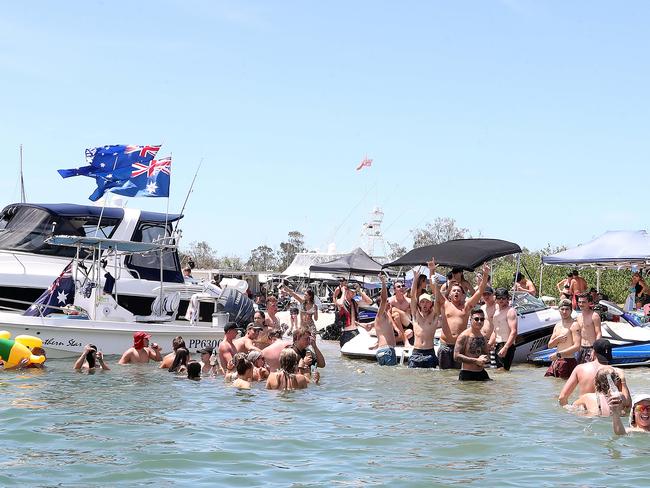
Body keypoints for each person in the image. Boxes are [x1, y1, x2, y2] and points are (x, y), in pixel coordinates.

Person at [435, 263, 490, 369]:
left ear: (463, 295)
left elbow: (480, 291)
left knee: (458, 376)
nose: (456, 292)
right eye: (454, 291)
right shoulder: (445, 304)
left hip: (460, 346)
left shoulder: (467, 306)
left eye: (459, 291)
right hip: (445, 346)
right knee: (443, 377)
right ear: (450, 294)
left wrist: (485, 275)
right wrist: (432, 271)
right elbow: (435, 290)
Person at [558, 339, 631, 409]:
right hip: (609, 412)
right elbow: (627, 404)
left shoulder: (580, 368)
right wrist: (623, 382)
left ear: (594, 352)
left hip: (585, 413)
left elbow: (562, 397)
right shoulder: (616, 371)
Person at [408, 260, 450, 369]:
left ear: (430, 303)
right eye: (422, 302)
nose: (425, 304)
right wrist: (415, 278)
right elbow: (413, 297)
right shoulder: (416, 315)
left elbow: (438, 299)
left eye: (427, 301)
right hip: (416, 353)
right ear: (419, 304)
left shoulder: (434, 315)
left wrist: (435, 282)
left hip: (429, 353)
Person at [545, 299, 581, 378]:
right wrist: (557, 340)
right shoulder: (557, 325)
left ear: (571, 311)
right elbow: (549, 345)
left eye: (567, 309)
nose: (564, 312)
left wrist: (558, 354)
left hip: (568, 361)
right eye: (562, 309)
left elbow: (577, 346)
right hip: (556, 361)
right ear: (559, 310)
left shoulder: (574, 325)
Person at [454, 307, 491, 381]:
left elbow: (487, 354)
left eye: (482, 319)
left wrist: (485, 358)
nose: (479, 321)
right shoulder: (464, 336)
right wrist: (476, 361)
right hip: (467, 374)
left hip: (481, 373)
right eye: (476, 319)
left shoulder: (483, 336)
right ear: (470, 320)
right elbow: (456, 356)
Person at [372, 274, 398, 366]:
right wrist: (383, 282)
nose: (389, 302)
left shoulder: (383, 317)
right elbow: (383, 299)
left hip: (382, 351)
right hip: (388, 351)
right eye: (387, 301)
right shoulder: (381, 314)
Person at [490, 288, 518, 371]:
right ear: (496, 299)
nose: (501, 300)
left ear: (508, 298)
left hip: (507, 344)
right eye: (499, 298)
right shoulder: (496, 312)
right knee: (498, 371)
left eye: (503, 298)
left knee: (502, 371)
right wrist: (488, 344)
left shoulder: (510, 311)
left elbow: (514, 331)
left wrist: (505, 348)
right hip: (498, 344)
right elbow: (495, 331)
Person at [337, 281, 372, 347]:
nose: (354, 293)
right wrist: (344, 292)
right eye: (352, 291)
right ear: (347, 291)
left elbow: (369, 302)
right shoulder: (340, 301)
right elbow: (341, 303)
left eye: (355, 291)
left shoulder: (355, 302)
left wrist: (360, 291)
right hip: (346, 333)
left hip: (355, 331)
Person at [576, 292, 602, 364]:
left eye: (583, 302)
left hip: (591, 348)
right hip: (581, 348)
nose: (581, 304)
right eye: (579, 302)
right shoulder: (578, 317)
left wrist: (595, 350)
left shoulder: (594, 316)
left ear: (589, 303)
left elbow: (599, 333)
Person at [387, 280, 413, 345]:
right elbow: (388, 315)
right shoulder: (390, 300)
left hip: (406, 324)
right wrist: (395, 328)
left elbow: (412, 316)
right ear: (394, 290)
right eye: (398, 286)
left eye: (403, 286)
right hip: (394, 325)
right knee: (396, 315)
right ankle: (403, 340)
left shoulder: (409, 301)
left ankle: (391, 341)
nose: (401, 287)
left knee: (394, 310)